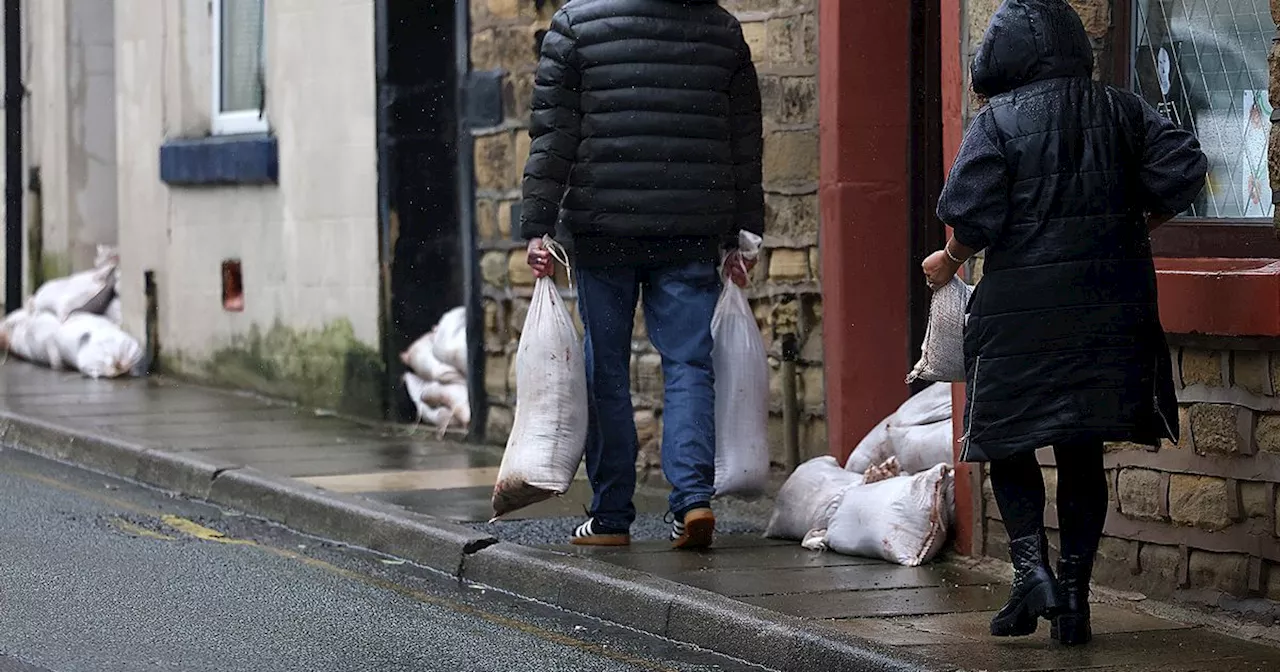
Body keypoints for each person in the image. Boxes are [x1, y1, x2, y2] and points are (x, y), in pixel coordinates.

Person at [922, 0, 1206, 647]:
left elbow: (969, 212)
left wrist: (950, 260)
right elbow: (1185, 168)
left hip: (1021, 308)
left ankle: (1032, 572)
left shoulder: (998, 121)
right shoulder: (1123, 109)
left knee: (1005, 440)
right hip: (1112, 302)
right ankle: (1073, 596)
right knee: (1080, 448)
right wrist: (1136, 225)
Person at [520, 0, 764, 550]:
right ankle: (692, 502)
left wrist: (537, 226)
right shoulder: (721, 29)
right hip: (691, 226)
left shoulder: (576, 26)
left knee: (605, 368)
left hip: (602, 228)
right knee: (688, 363)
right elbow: (744, 139)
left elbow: (553, 134)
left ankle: (610, 517)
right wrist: (744, 231)